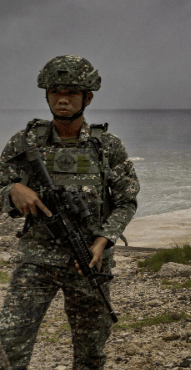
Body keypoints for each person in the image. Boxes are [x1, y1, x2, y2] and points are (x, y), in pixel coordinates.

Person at [0, 55, 140, 370]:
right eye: (55, 92)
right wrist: (11, 191)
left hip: (88, 261)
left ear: (87, 97)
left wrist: (103, 240)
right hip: (37, 259)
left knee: (91, 354)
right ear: (46, 95)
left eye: (72, 93)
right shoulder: (24, 142)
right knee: (9, 346)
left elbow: (127, 199)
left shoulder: (107, 146)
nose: (62, 99)